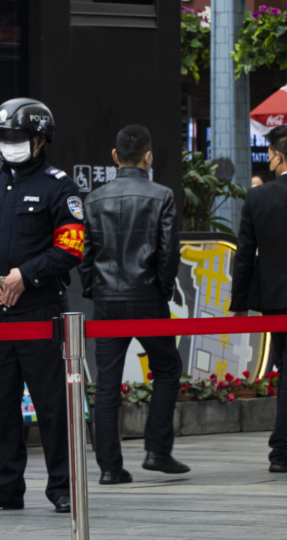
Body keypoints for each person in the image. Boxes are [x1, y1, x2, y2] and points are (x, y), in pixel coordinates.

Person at [0, 98, 84, 514]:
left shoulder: (59, 186)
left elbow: (71, 247)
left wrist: (26, 275)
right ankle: (3, 486)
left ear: (41, 139)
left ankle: (63, 487)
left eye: (18, 137)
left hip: (39, 310)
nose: (9, 144)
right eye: (3, 137)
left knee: (53, 406)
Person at [79, 125, 189, 484]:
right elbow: (168, 253)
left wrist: (93, 290)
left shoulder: (93, 199)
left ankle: (110, 468)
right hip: (147, 298)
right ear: (149, 157)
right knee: (167, 369)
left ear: (115, 157)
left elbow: (85, 255)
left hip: (106, 301)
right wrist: (163, 289)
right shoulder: (162, 195)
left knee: (107, 383)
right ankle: (157, 451)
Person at [230, 124, 287, 473]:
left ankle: (281, 450)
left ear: (278, 156)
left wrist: (238, 304)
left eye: (269, 154)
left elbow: (244, 255)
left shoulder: (258, 197)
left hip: (276, 300)